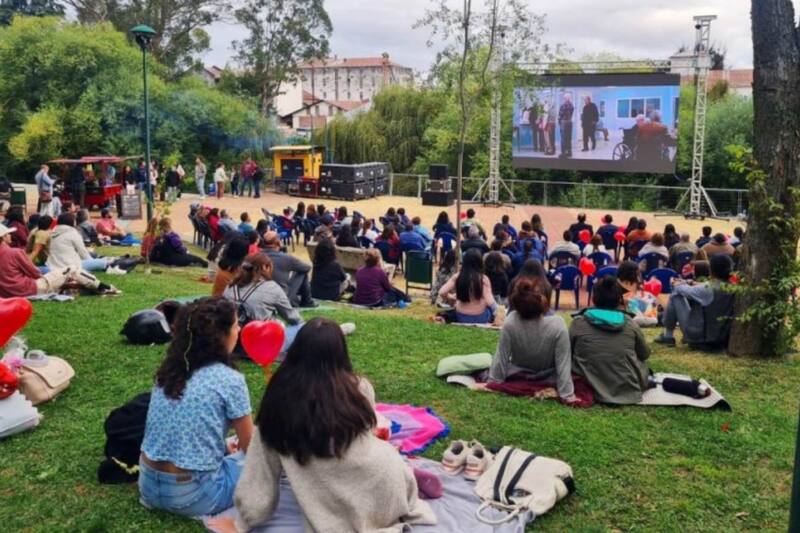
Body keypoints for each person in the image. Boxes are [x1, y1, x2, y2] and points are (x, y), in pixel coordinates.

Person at [207, 318, 435, 533]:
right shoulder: (359, 388)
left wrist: (242, 522)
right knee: (384, 460)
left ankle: (407, 476)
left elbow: (260, 474)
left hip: (352, 489)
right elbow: (366, 437)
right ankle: (408, 476)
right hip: (386, 482)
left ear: (296, 350)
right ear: (341, 352)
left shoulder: (279, 400)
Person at [139, 297, 253, 518]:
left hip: (149, 486)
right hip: (195, 494)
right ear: (221, 335)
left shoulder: (169, 372)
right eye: (236, 325)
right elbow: (251, 448)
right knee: (264, 466)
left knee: (231, 445)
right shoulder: (230, 380)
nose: (239, 330)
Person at [487, 277, 576, 400]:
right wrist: (568, 395)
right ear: (541, 301)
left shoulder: (511, 321)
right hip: (548, 378)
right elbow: (563, 365)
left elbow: (501, 359)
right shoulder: (558, 325)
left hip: (518, 374)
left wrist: (494, 382)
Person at [569, 276, 650, 404]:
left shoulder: (578, 323)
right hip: (627, 388)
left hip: (587, 385)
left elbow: (567, 353)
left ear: (593, 298)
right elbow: (644, 354)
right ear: (619, 300)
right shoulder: (630, 323)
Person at [223, 254, 305, 351]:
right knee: (301, 327)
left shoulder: (231, 286)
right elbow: (293, 318)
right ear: (265, 267)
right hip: (261, 344)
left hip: (233, 341)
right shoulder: (272, 287)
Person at [655, 254, 735, 349]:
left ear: (711, 270)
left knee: (676, 294)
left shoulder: (707, 289)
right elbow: (705, 287)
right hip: (723, 340)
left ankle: (668, 335)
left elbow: (682, 289)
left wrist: (676, 283)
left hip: (701, 339)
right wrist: (691, 282)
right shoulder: (734, 287)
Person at [438, 248, 497, 324]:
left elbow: (442, 292)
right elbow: (490, 301)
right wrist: (499, 312)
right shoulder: (483, 279)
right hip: (480, 317)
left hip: (461, 316)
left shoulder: (458, 276)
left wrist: (450, 297)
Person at [262, 231, 316, 308]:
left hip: (261, 295)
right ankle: (307, 301)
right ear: (278, 242)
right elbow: (307, 267)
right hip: (281, 297)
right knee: (302, 272)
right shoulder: (286, 258)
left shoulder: (255, 257)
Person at [616, 260, 658, 327]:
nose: (639, 276)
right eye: (638, 273)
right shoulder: (618, 287)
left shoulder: (618, 283)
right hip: (627, 313)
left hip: (633, 313)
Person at [558, 92, 574, 158]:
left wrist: (559, 121)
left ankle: (563, 153)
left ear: (566, 98)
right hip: (570, 122)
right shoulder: (572, 105)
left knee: (563, 138)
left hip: (564, 122)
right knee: (569, 138)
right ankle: (569, 152)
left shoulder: (563, 105)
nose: (564, 99)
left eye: (564, 98)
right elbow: (571, 113)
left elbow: (560, 115)